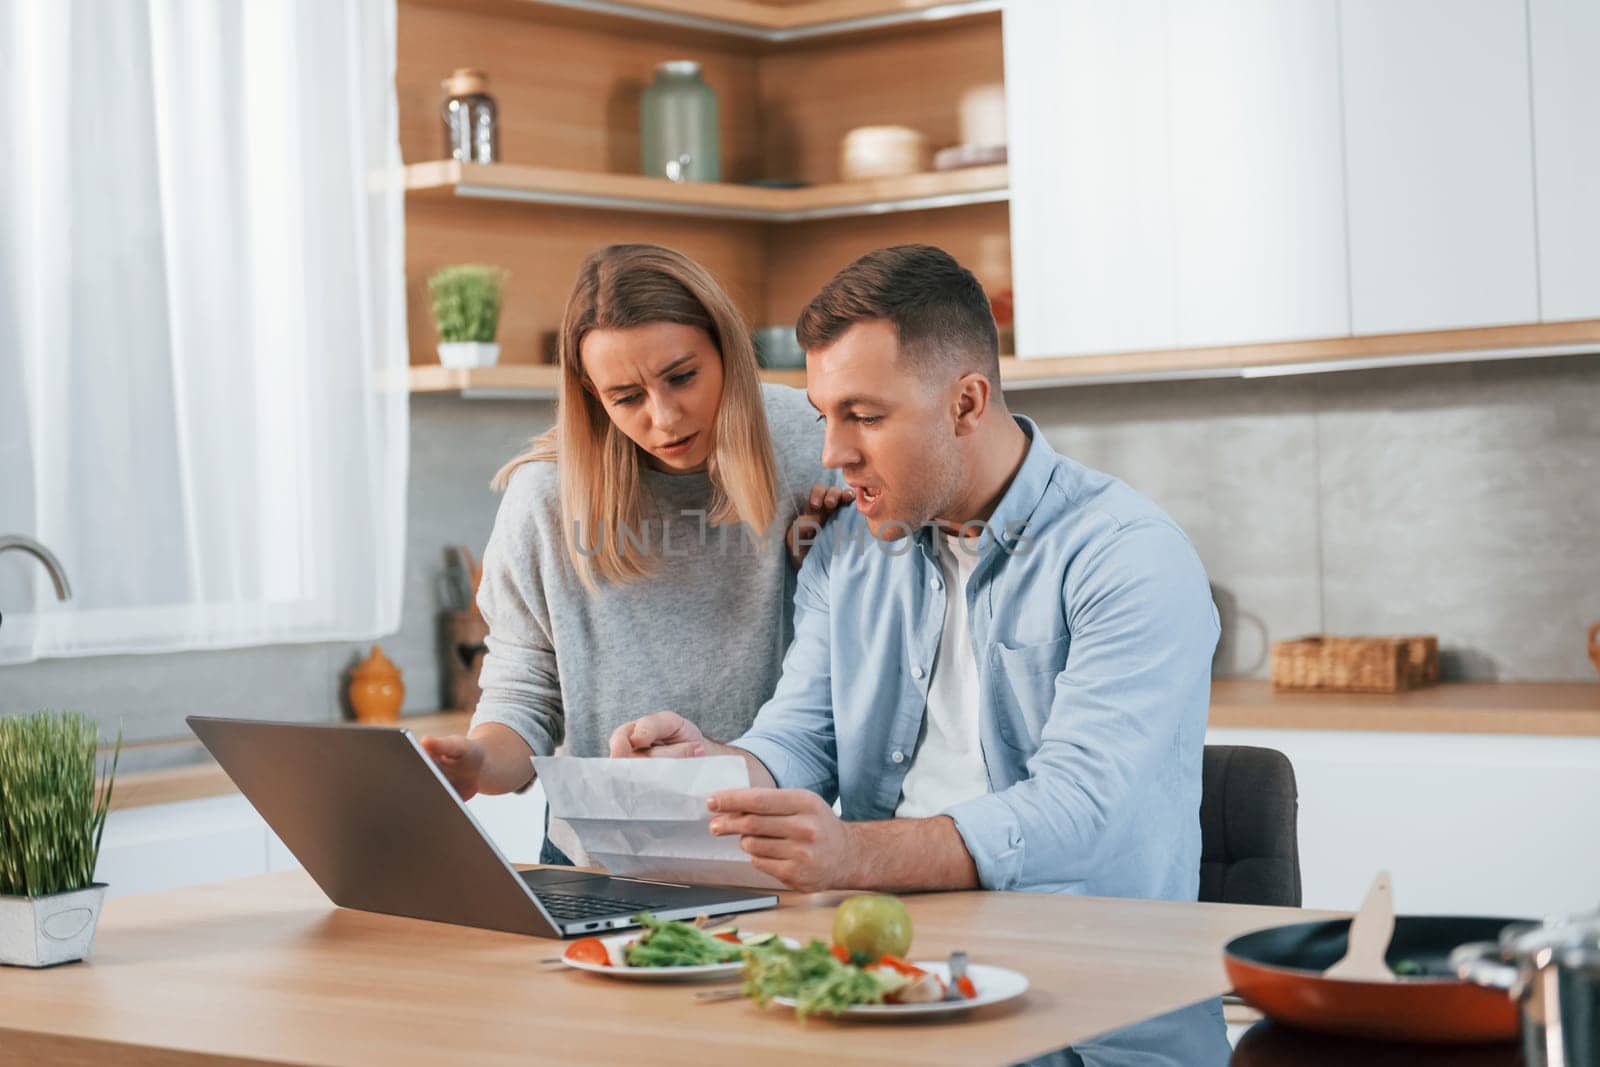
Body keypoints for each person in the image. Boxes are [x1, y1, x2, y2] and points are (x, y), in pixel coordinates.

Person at [609, 244, 1220, 903]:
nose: (834, 453)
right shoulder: (846, 549)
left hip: (1089, 969)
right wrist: (703, 769)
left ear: (966, 404)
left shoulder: (1126, 555)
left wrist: (853, 854)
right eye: (826, 416)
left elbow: (1079, 810)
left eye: (866, 417)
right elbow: (797, 746)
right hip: (890, 954)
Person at [419, 244, 846, 865]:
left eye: (682, 376)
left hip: (777, 847)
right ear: (592, 397)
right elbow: (525, 696)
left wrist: (841, 557)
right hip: (602, 861)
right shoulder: (545, 497)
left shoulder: (814, 443)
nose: (665, 418)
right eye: (627, 397)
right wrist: (481, 761)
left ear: (725, 349)